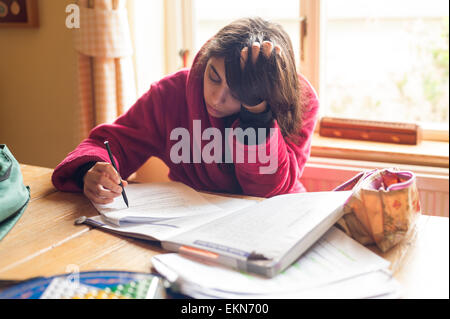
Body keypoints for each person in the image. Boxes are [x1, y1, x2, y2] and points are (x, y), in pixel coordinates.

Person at [52, 17, 319, 204]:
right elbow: (111, 143)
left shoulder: (300, 101)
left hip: (275, 219)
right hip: (189, 221)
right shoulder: (172, 93)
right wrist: (89, 171)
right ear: (205, 61)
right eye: (213, 77)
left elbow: (267, 191)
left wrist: (257, 115)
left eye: (236, 93)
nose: (216, 97)